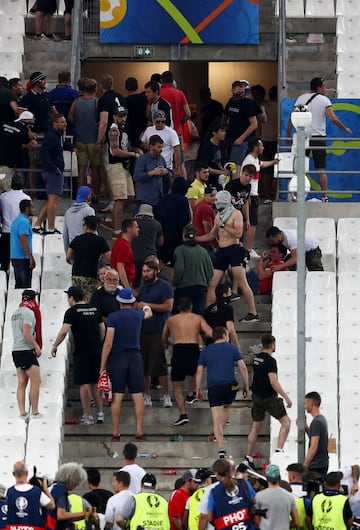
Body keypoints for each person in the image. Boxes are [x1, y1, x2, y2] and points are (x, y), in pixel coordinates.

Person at [286, 76, 352, 202]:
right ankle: (324, 196)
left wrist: (288, 134)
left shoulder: (301, 98)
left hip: (302, 136)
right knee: (320, 169)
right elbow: (333, 118)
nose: (325, 89)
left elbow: (292, 117)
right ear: (318, 87)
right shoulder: (324, 100)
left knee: (298, 169)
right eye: (324, 86)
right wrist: (345, 128)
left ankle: (294, 197)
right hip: (318, 137)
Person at [100, 288, 153, 440]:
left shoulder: (113, 317)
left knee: (117, 395)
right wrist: (144, 306)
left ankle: (116, 431)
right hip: (135, 356)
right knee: (138, 395)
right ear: (132, 301)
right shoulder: (138, 315)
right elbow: (149, 313)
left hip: (118, 358)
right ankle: (138, 430)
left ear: (119, 302)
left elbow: (108, 342)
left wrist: (102, 365)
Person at [197, 190, 258, 320]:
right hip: (222, 250)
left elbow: (238, 233)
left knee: (242, 282)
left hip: (234, 249)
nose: (216, 203)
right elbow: (211, 235)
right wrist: (195, 239)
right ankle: (207, 311)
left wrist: (223, 225)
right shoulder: (219, 215)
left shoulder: (236, 214)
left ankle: (253, 312)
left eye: (218, 201)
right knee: (212, 282)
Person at [51, 285, 105, 425]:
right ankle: (100, 413)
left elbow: (64, 332)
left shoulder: (72, 312)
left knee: (84, 384)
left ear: (72, 298)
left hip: (82, 351)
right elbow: (102, 328)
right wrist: (99, 342)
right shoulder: (94, 309)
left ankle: (87, 415)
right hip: (96, 350)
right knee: (94, 383)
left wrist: (55, 345)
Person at [196, 326, 249, 459]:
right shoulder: (232, 348)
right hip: (231, 385)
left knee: (216, 418)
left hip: (214, 386)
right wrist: (247, 385)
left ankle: (220, 447)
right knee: (226, 407)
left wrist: (197, 389)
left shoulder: (207, 350)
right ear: (225, 335)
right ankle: (218, 432)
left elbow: (199, 370)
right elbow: (242, 366)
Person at [162, 297, 213, 426]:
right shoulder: (197, 318)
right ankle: (191, 392)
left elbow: (164, 338)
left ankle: (183, 413)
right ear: (191, 307)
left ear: (179, 307)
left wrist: (172, 342)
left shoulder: (171, 320)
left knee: (177, 386)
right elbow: (210, 332)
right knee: (195, 371)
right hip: (193, 347)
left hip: (179, 348)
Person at [245, 335, 292, 469]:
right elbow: (273, 381)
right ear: (272, 344)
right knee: (286, 422)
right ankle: (279, 450)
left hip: (257, 396)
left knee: (255, 426)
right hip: (269, 397)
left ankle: (248, 457)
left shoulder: (257, 358)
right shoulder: (271, 361)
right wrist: (286, 397)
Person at [136, 259, 173, 408]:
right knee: (144, 365)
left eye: (148, 271)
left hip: (158, 330)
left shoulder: (164, 286)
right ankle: (146, 395)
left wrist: (147, 305)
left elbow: (168, 306)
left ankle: (166, 395)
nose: (145, 274)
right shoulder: (143, 288)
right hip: (142, 330)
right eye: (144, 271)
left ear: (155, 271)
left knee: (159, 364)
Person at [106, 108, 142, 239]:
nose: (123, 118)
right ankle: (116, 231)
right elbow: (115, 151)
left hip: (125, 166)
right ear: (115, 116)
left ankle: (111, 219)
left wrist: (135, 149)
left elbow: (126, 146)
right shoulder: (114, 130)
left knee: (130, 197)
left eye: (125, 115)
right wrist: (133, 154)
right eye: (121, 116)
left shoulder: (124, 128)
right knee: (120, 198)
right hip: (116, 165)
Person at [33, 114, 71, 234]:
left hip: (54, 172)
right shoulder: (51, 136)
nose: (65, 124)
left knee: (51, 201)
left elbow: (59, 147)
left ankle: (38, 224)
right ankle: (50, 227)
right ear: (55, 124)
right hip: (53, 173)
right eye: (62, 122)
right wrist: (53, 167)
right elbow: (44, 153)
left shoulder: (58, 136)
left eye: (65, 122)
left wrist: (71, 147)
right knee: (53, 202)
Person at [241, 137, 279, 258]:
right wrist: (248, 197)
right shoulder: (249, 161)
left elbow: (262, 164)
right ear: (256, 147)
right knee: (251, 223)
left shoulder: (256, 160)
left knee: (253, 223)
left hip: (254, 194)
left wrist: (274, 162)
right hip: (251, 195)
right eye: (261, 145)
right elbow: (246, 180)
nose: (263, 148)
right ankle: (248, 248)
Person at [11, 289, 42, 419]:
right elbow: (26, 332)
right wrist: (37, 347)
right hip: (25, 349)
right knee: (36, 381)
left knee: (22, 382)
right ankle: (34, 412)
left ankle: (22, 412)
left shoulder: (15, 313)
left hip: (16, 350)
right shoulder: (29, 313)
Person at [67, 216, 111, 302]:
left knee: (77, 299)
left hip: (77, 273)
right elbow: (110, 256)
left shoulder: (77, 239)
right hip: (91, 274)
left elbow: (68, 256)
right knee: (89, 300)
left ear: (86, 226)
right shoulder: (100, 240)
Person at [173, 224, 214, 315]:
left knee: (181, 315)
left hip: (184, 288)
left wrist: (175, 283)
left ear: (184, 235)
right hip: (200, 288)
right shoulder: (204, 251)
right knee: (198, 315)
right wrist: (205, 283)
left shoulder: (179, 250)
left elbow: (179, 269)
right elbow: (210, 271)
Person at [68, 77, 101, 190]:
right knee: (96, 168)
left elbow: (70, 116)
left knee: (81, 169)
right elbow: (101, 119)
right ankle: (95, 193)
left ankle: (79, 194)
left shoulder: (77, 101)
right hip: (93, 140)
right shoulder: (96, 101)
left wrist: (77, 125)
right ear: (94, 89)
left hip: (80, 140)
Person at [224, 80, 262, 174]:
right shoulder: (231, 101)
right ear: (232, 90)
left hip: (243, 141)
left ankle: (237, 187)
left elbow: (254, 124)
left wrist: (241, 138)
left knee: (237, 167)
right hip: (231, 139)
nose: (239, 94)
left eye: (241, 92)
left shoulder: (248, 103)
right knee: (232, 166)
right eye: (237, 92)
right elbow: (225, 117)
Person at [207, 458, 256, 530]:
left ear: (216, 473)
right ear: (230, 470)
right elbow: (255, 501)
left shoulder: (214, 492)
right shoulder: (243, 483)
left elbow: (210, 518)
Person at [7, 461, 54, 530]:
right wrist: (45, 488)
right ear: (27, 473)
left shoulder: (8, 492)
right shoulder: (36, 491)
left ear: (13, 474)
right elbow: (52, 505)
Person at [155, 177, 190, 265]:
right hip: (175, 236)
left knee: (161, 259)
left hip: (161, 234)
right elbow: (184, 220)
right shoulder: (183, 201)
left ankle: (157, 276)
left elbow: (156, 214)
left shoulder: (163, 199)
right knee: (175, 263)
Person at [0, 111, 37, 192]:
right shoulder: (23, 131)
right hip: (6, 165)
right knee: (4, 190)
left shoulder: (3, 124)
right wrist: (32, 139)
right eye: (32, 121)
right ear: (27, 120)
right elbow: (31, 147)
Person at [0, 174, 31, 271]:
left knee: (4, 264)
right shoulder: (26, 198)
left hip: (5, 232)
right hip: (19, 234)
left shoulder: (3, 197)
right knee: (19, 264)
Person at [254, 464, 299, 530]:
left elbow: (257, 521)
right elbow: (296, 522)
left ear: (267, 478)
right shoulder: (289, 496)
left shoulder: (259, 496)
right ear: (279, 477)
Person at [48, 462, 88, 530]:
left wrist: (85, 516)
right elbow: (61, 515)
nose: (77, 484)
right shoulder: (61, 491)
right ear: (70, 479)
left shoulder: (53, 488)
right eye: (77, 481)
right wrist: (85, 513)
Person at [132, 204, 164, 288]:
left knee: (135, 283)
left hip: (134, 255)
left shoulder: (132, 223)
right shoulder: (157, 224)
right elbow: (160, 242)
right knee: (152, 282)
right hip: (150, 256)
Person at [141, 110, 181, 177]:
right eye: (158, 121)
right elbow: (142, 143)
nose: (160, 123)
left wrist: (177, 167)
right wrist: (148, 146)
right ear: (154, 121)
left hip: (165, 166)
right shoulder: (149, 130)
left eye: (163, 121)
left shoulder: (171, 132)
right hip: (150, 166)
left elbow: (177, 150)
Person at [133, 135, 169, 207]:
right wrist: (151, 173)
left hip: (159, 198)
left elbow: (168, 175)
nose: (161, 149)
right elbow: (136, 177)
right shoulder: (142, 160)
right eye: (158, 147)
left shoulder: (161, 159)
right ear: (151, 147)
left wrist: (166, 172)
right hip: (145, 199)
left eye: (162, 147)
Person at [203, 283, 240, 349]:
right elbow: (230, 329)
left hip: (209, 345)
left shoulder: (207, 309)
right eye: (230, 292)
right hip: (223, 344)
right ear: (224, 294)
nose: (231, 295)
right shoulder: (228, 308)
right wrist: (237, 347)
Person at [10, 199, 36, 289]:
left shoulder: (16, 221)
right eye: (31, 207)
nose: (33, 209)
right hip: (23, 258)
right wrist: (30, 256)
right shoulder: (24, 222)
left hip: (15, 257)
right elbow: (23, 239)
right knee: (24, 287)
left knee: (19, 286)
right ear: (27, 209)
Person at [63, 186, 95, 252]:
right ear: (88, 196)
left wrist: (67, 252)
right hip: (87, 248)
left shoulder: (68, 211)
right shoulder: (89, 210)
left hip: (72, 248)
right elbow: (93, 231)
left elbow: (65, 234)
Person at [304, 391, 329, 475]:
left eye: (305, 403)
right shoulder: (321, 419)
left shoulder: (316, 422)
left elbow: (314, 447)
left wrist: (305, 465)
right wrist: (306, 427)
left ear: (311, 403)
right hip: (322, 463)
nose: (304, 406)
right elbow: (315, 438)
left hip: (316, 465)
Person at [110, 218, 139, 288]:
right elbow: (120, 267)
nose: (138, 229)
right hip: (122, 281)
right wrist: (127, 287)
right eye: (136, 227)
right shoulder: (124, 246)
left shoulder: (118, 242)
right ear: (129, 229)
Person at [197, 123, 229, 188]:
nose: (224, 133)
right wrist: (221, 172)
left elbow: (219, 163)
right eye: (222, 131)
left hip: (219, 180)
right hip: (208, 180)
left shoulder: (221, 146)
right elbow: (205, 166)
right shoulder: (206, 147)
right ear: (214, 133)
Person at [124, 77, 147, 149]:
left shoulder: (124, 101)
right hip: (143, 132)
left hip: (130, 134)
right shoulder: (145, 99)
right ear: (137, 86)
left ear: (126, 88)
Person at [192, 186, 217, 253]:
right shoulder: (206, 208)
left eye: (215, 195)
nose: (214, 198)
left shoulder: (200, 205)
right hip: (204, 244)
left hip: (199, 243)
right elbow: (209, 232)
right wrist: (217, 245)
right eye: (211, 196)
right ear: (205, 196)